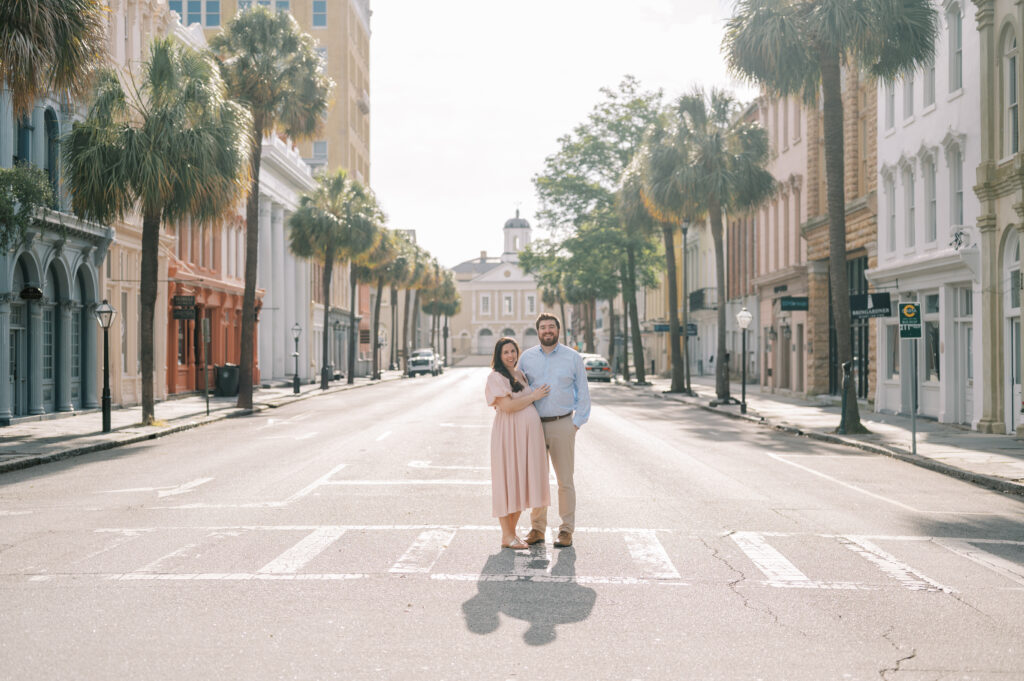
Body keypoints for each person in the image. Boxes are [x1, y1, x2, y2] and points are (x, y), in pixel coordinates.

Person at [518, 313, 590, 549]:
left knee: (565, 481)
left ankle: (566, 530)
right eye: (543, 327)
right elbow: (516, 388)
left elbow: (583, 392)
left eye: (551, 327)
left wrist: (576, 423)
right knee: (537, 480)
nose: (547, 331)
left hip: (562, 423)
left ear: (558, 330)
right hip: (534, 424)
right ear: (537, 331)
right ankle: (537, 528)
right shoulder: (526, 358)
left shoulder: (572, 358)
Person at [485, 337, 551, 550]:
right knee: (507, 481)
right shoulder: (495, 377)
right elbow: (508, 406)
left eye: (513, 351)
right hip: (508, 435)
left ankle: (510, 535)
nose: (510, 355)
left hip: (525, 437)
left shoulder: (519, 374)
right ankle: (507, 534)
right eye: (505, 352)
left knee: (520, 482)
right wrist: (534, 396)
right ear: (498, 355)